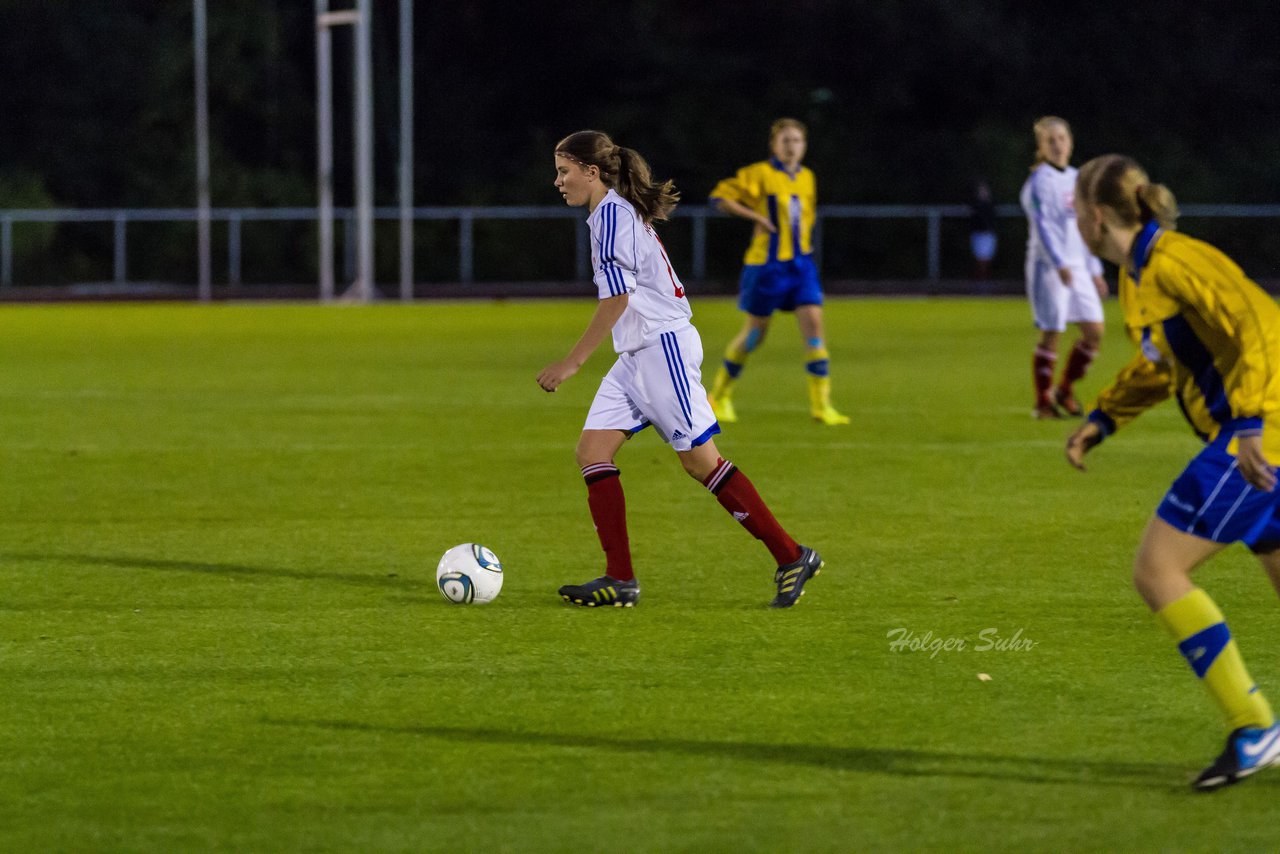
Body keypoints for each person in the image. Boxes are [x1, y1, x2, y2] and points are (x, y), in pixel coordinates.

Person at [537, 130, 824, 609]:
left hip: (661, 348)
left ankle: (792, 555)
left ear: (591, 172)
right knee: (592, 452)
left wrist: (573, 362)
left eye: (564, 171)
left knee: (701, 462)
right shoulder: (608, 214)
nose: (558, 181)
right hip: (637, 354)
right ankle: (620, 579)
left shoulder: (611, 217)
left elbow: (618, 298)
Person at [1065, 153, 1280, 791]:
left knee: (1158, 569)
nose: (1073, 219)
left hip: (1257, 434)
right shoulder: (1140, 272)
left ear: (1097, 216)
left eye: (1075, 209)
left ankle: (1253, 726)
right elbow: (1163, 365)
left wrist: (1247, 425)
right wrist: (1103, 417)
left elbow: (1260, 327)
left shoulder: (1177, 260)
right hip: (1257, 431)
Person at [705, 118, 849, 426]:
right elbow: (719, 197)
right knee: (754, 336)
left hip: (801, 266)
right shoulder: (761, 174)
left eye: (797, 141)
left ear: (804, 145)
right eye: (785, 141)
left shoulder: (807, 177)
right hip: (766, 267)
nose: (791, 146)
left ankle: (822, 406)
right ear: (774, 145)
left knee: (814, 332)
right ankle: (717, 398)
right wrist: (754, 215)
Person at [1019, 116, 1110, 420]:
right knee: (1052, 333)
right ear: (1041, 148)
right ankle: (1043, 402)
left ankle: (1065, 388)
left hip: (1078, 265)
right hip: (1049, 266)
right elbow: (1042, 226)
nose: (1058, 145)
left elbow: (1085, 227)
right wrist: (1058, 262)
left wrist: (1094, 268)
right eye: (1051, 140)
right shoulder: (1039, 182)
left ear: (1070, 142)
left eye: (1062, 139)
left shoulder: (1077, 179)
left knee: (1094, 331)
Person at [969, 180, 998, 281]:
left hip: (988, 234)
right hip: (978, 234)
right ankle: (979, 279)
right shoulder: (974, 204)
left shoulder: (991, 204)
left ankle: (985, 279)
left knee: (987, 258)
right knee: (979, 258)